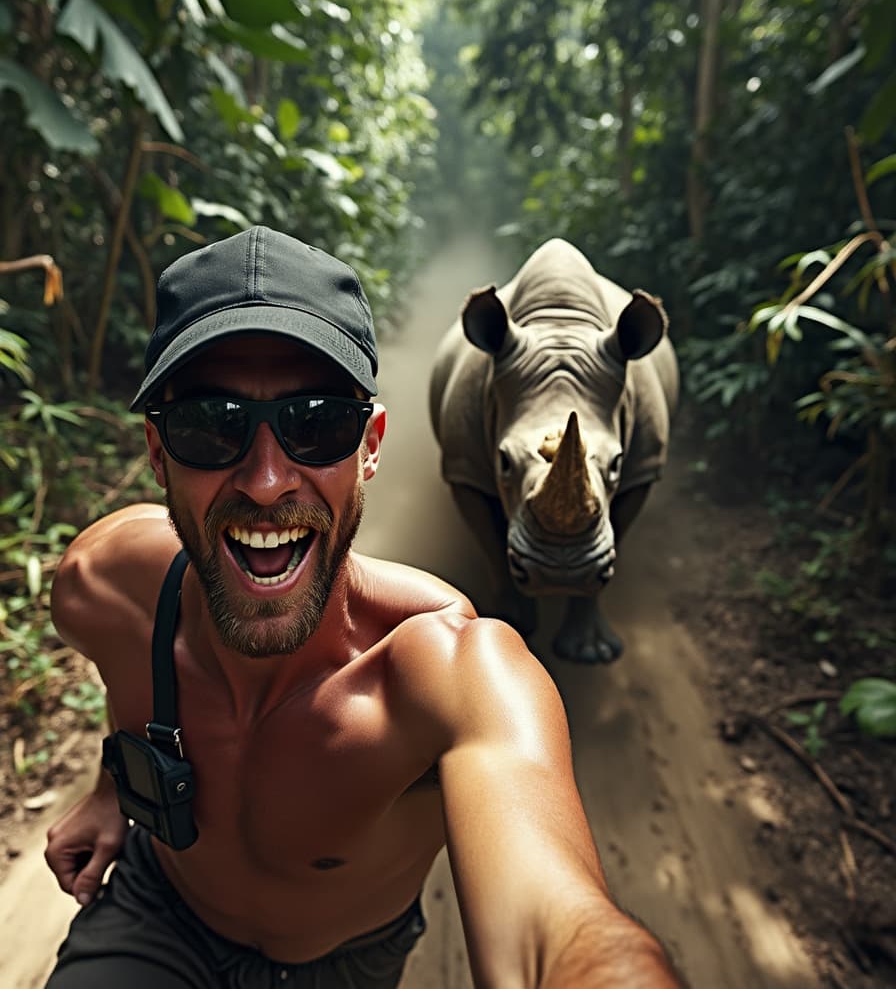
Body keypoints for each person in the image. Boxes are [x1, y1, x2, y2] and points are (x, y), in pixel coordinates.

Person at [43, 226, 684, 989]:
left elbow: (556, 920)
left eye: (317, 425)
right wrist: (116, 788)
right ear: (157, 452)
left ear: (370, 445)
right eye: (211, 427)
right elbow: (133, 676)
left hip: (343, 965)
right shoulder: (101, 584)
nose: (267, 479)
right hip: (157, 910)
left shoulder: (449, 672)